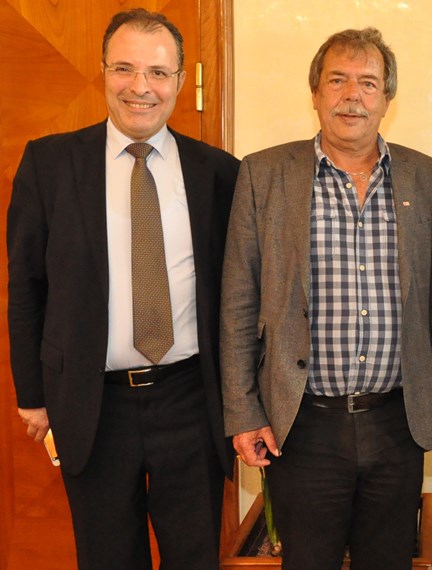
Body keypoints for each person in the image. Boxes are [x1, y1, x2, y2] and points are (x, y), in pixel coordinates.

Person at [6, 8, 238, 569]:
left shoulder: (220, 173)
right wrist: (32, 395)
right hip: (93, 403)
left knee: (195, 557)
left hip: (191, 400)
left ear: (181, 81)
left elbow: (239, 296)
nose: (141, 87)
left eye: (158, 72)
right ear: (103, 72)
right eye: (125, 69)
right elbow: (25, 285)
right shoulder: (50, 163)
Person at [220, 27, 432, 570]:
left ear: (387, 98)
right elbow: (237, 301)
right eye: (338, 80)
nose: (353, 95)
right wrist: (242, 411)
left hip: (398, 422)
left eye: (368, 83)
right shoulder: (264, 173)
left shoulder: (427, 176)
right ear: (316, 93)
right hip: (302, 426)